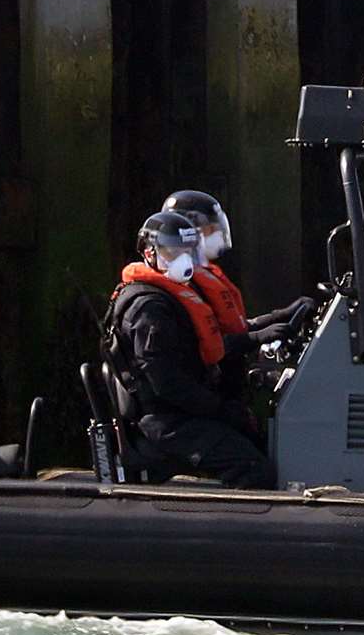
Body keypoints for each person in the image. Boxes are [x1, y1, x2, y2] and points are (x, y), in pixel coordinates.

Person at [101, 210, 279, 490]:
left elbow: (199, 349)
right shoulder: (150, 309)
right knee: (255, 470)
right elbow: (167, 383)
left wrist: (261, 332)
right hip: (167, 421)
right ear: (149, 253)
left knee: (265, 442)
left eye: (188, 251)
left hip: (183, 411)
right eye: (173, 252)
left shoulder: (172, 296)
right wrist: (221, 410)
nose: (183, 259)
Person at [161, 189, 315, 393]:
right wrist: (256, 338)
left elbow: (230, 327)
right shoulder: (179, 285)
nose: (216, 234)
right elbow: (201, 346)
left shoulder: (203, 277)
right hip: (208, 392)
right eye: (209, 229)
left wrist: (278, 317)